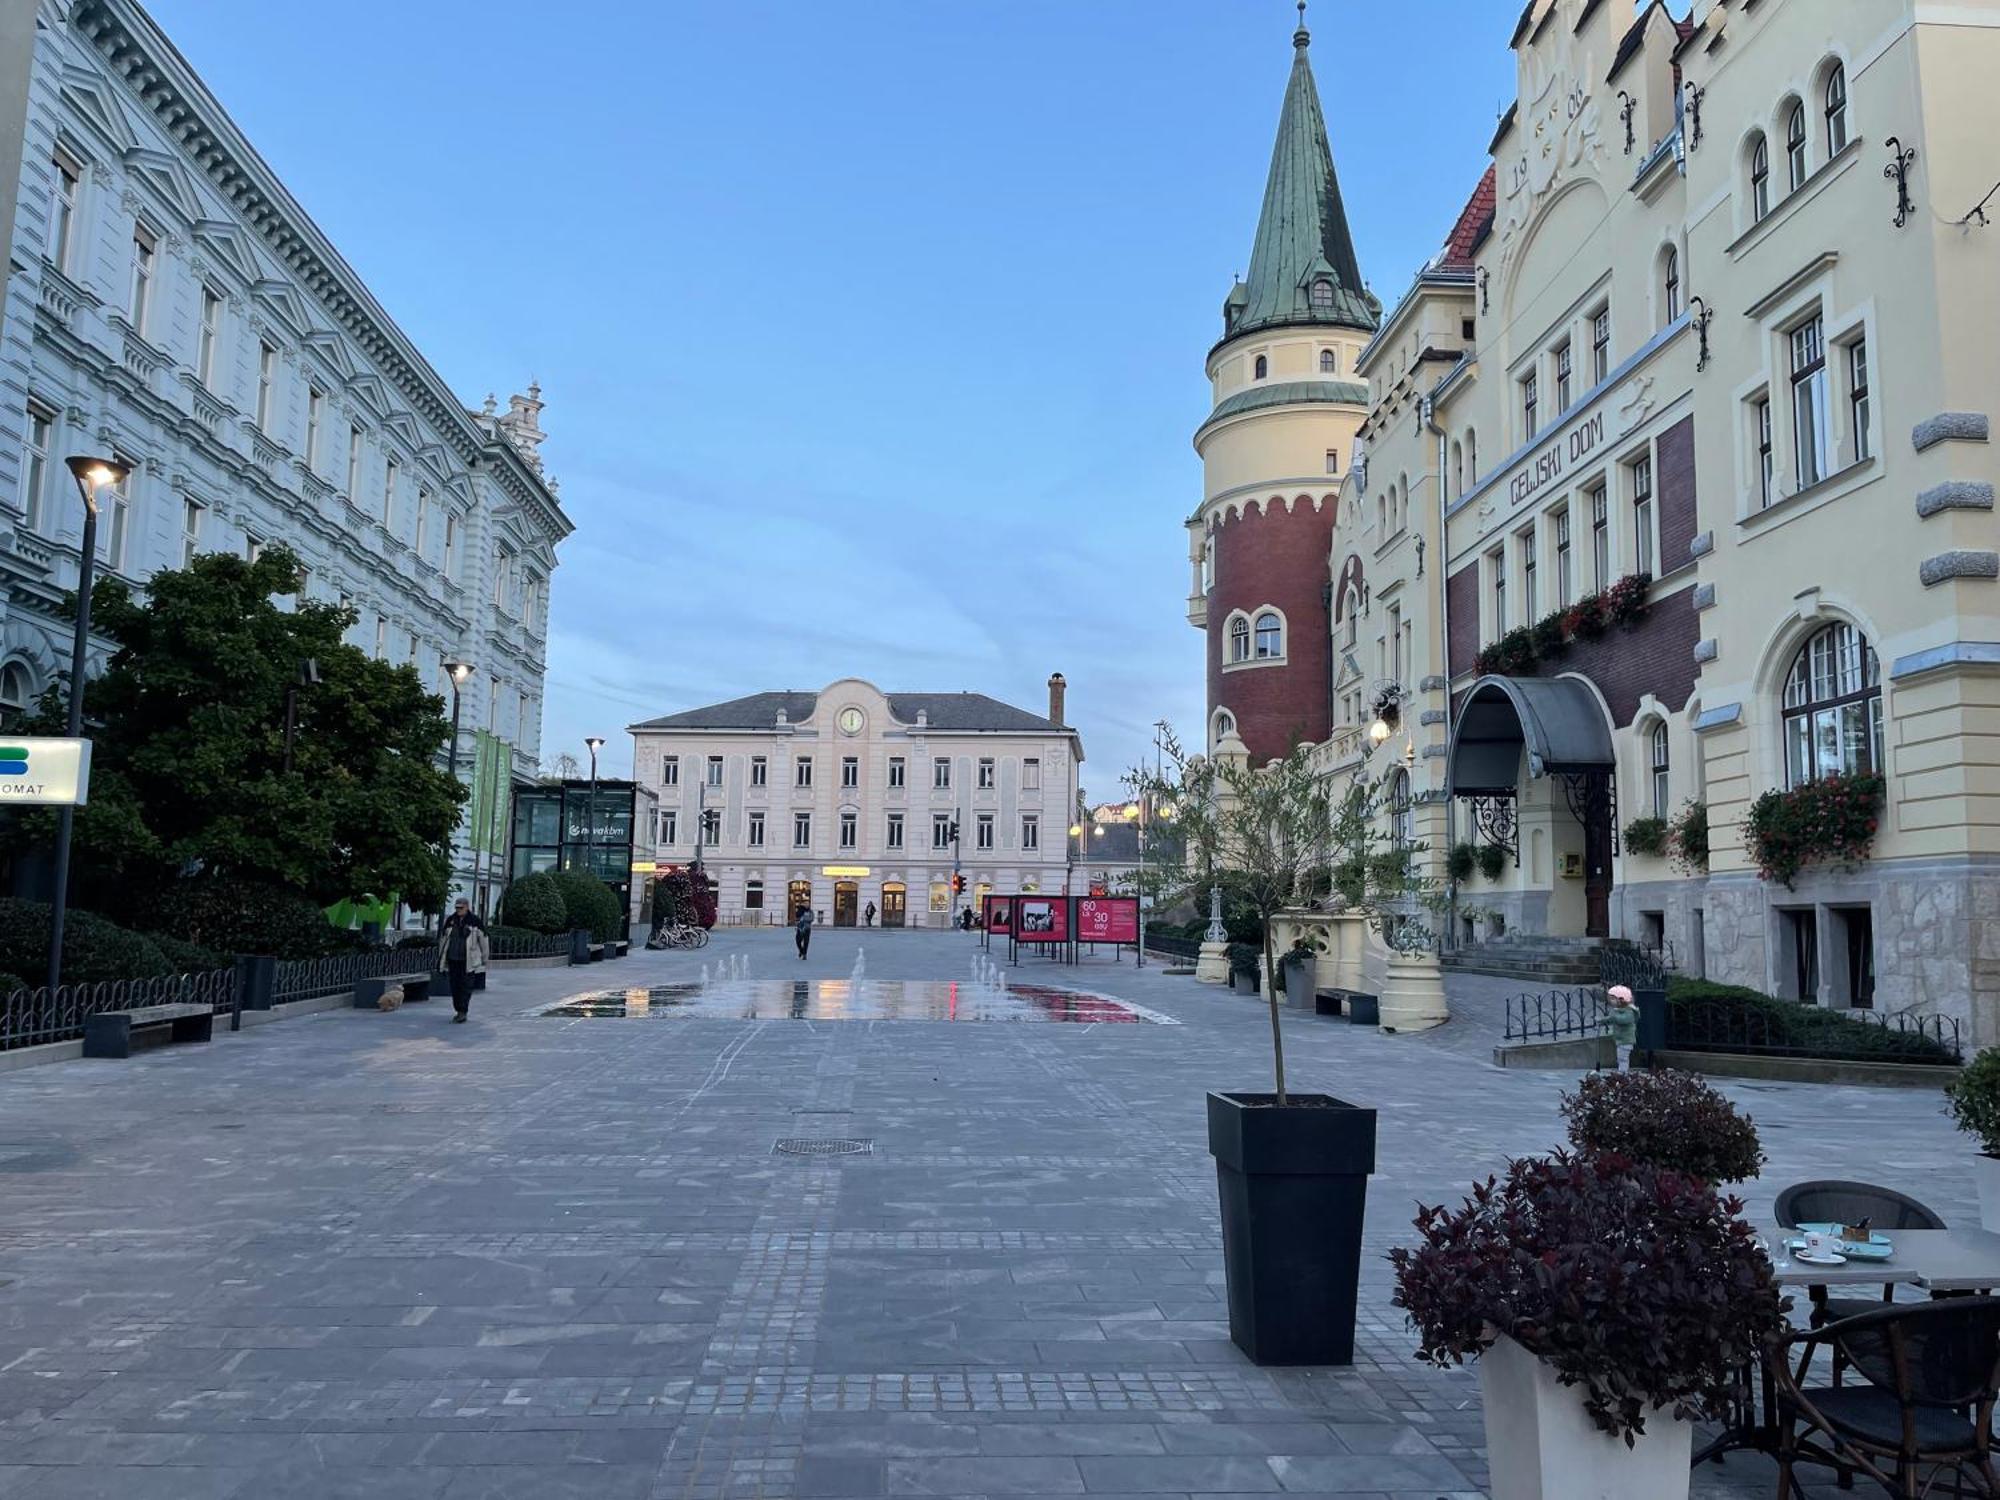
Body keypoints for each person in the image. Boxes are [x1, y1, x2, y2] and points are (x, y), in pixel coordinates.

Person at [437, 898, 489, 1023]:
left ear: (467, 907)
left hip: (468, 961)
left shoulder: (474, 921)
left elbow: (484, 940)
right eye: (457, 908)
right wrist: (441, 958)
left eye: (461, 908)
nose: (458, 910)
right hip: (453, 959)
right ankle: (458, 1009)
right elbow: (443, 940)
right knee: (455, 986)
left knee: (466, 987)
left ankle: (462, 1011)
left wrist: (484, 958)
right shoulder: (450, 921)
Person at [1602, 983, 1639, 1071]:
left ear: (1621, 999)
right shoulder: (1619, 1010)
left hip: (1626, 1040)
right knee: (1621, 1059)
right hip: (1621, 1040)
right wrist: (1602, 1020)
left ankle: (1623, 1074)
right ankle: (1622, 1073)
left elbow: (1623, 1020)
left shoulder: (1629, 1011)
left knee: (1623, 1059)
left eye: (1613, 999)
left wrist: (1613, 1017)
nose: (1610, 1001)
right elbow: (1612, 1018)